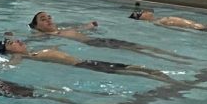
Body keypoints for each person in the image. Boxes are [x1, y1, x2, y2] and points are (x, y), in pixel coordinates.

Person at [28, 11, 182, 61]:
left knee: (139, 47)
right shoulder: (45, 37)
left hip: (100, 40)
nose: (48, 20)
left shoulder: (63, 29)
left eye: (49, 17)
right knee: (135, 50)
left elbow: (81, 28)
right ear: (36, 26)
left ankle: (174, 57)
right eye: (43, 19)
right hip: (96, 45)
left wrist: (90, 26)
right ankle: (172, 59)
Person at [0, 38, 171, 81]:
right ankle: (159, 77)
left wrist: (56, 48)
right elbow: (11, 66)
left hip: (86, 62)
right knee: (131, 71)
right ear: (9, 51)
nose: (17, 41)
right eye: (11, 43)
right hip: (84, 66)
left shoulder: (34, 52)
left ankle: (157, 74)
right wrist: (5, 65)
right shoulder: (20, 56)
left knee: (130, 67)